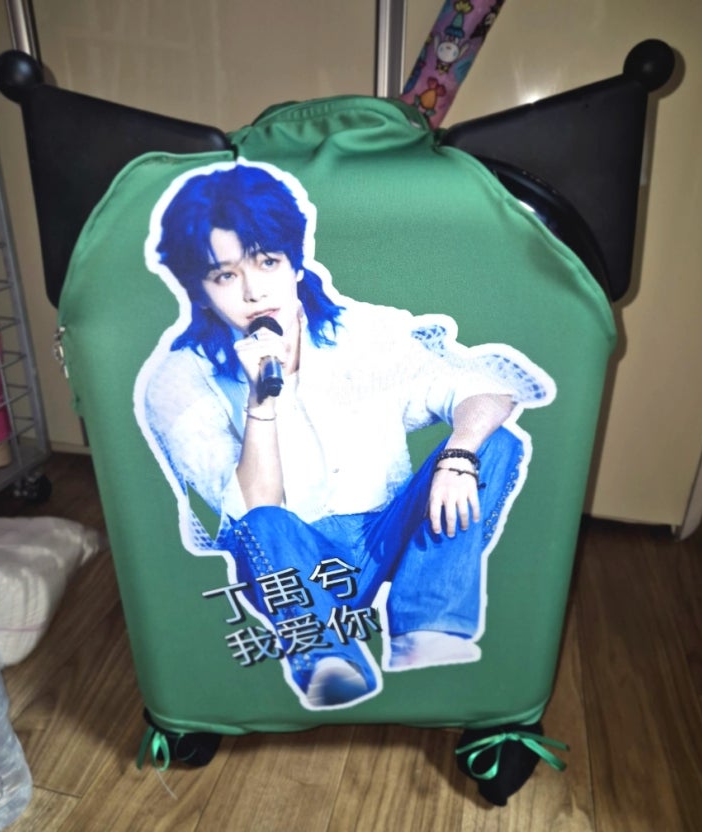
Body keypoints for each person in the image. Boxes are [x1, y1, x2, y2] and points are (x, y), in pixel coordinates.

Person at [135, 161, 556, 710]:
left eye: (266, 261)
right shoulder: (178, 380)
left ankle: (426, 630)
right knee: (262, 524)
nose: (254, 291)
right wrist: (261, 404)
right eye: (225, 276)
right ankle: (328, 658)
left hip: (380, 533)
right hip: (287, 561)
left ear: (294, 259)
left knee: (493, 444)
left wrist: (458, 455)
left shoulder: (363, 331)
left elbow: (483, 388)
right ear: (200, 289)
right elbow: (255, 509)